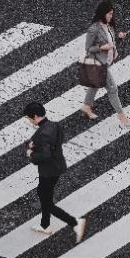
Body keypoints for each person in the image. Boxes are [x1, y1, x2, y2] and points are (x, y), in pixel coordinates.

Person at [23, 102, 86, 243]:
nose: (29, 121)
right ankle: (45, 225)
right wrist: (34, 144)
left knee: (47, 202)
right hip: (57, 167)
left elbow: (45, 155)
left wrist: (30, 154)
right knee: (43, 193)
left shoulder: (43, 133)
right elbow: (55, 142)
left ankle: (75, 223)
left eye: (29, 118)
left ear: (34, 116)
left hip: (49, 171)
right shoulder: (54, 125)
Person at [81, 0, 130, 126]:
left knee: (95, 85)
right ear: (102, 13)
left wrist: (119, 38)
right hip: (97, 63)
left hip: (105, 62)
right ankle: (122, 116)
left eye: (112, 13)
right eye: (109, 13)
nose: (111, 16)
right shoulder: (94, 29)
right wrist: (102, 47)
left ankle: (86, 107)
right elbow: (88, 48)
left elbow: (111, 43)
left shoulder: (109, 27)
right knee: (113, 89)